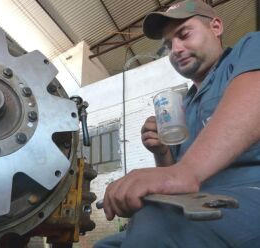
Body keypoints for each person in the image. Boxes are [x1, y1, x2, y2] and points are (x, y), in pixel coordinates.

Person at [94, 0, 260, 247]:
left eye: (184, 35)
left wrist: (186, 171)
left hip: (250, 191)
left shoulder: (249, 48)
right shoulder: (183, 107)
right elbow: (177, 179)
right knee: (106, 244)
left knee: (154, 226)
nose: (176, 49)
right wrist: (163, 153)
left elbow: (255, 94)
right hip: (198, 203)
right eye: (168, 45)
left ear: (215, 27)